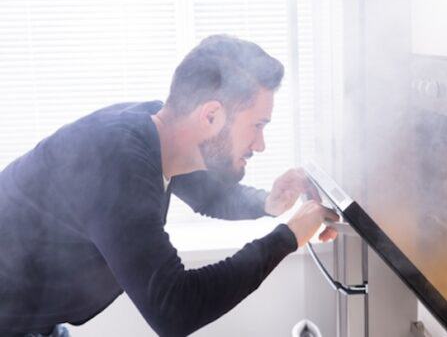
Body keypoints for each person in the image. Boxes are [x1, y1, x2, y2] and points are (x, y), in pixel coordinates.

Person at [0, 35, 340, 336]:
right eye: (257, 125)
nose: (261, 144)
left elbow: (210, 196)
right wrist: (289, 236)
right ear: (210, 116)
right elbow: (175, 308)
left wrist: (269, 203)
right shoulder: (118, 163)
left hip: (33, 319)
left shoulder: (155, 130)